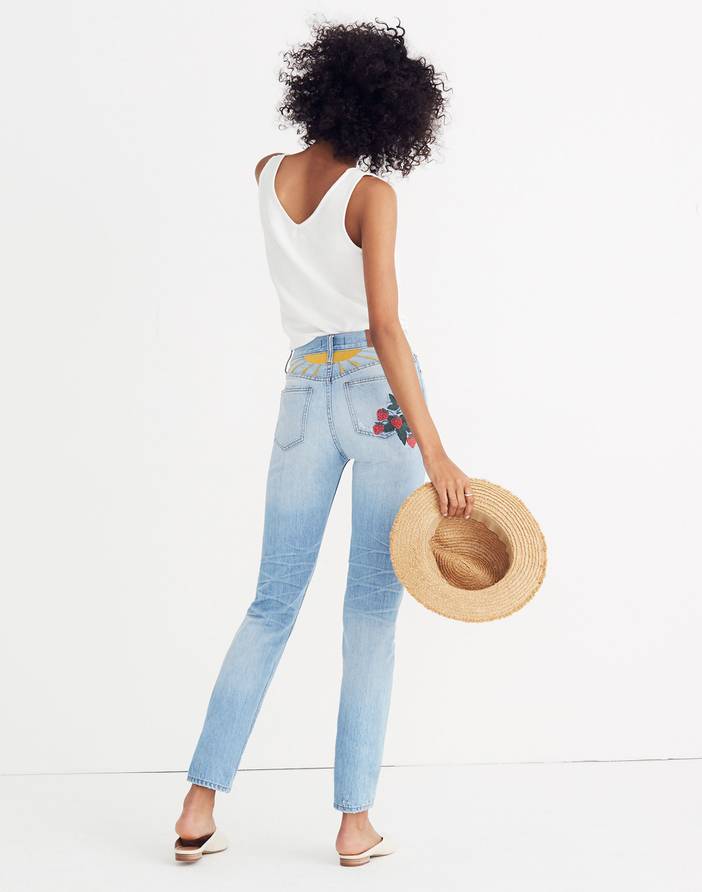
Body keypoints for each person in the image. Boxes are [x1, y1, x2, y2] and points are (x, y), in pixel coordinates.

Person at [174, 18, 474, 868]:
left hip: (303, 392)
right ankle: (353, 825)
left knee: (270, 604)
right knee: (371, 612)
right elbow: (385, 327)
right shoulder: (373, 194)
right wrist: (436, 450)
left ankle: (198, 805)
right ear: (390, 110)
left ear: (321, 85)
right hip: (379, 402)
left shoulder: (266, 173)